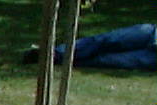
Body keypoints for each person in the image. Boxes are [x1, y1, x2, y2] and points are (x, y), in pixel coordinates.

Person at [29, 23, 157, 71]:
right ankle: (55, 53)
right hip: (151, 33)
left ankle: (57, 59)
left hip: (153, 57)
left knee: (107, 60)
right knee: (105, 40)